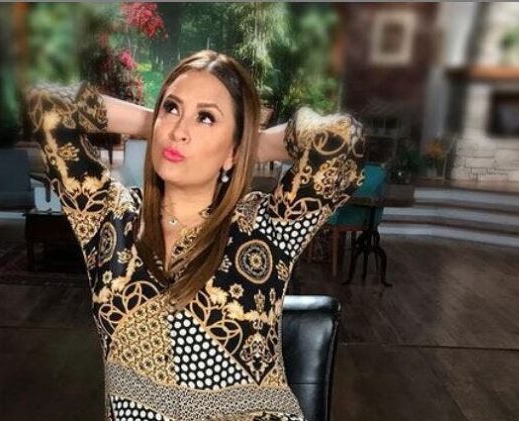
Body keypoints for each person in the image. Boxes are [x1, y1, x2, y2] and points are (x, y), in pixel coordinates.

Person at [24, 50, 365, 421]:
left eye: (206, 117)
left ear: (233, 149)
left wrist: (247, 145)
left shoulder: (264, 227)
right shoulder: (109, 216)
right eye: (172, 107)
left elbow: (341, 139)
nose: (179, 131)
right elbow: (48, 103)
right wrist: (153, 124)